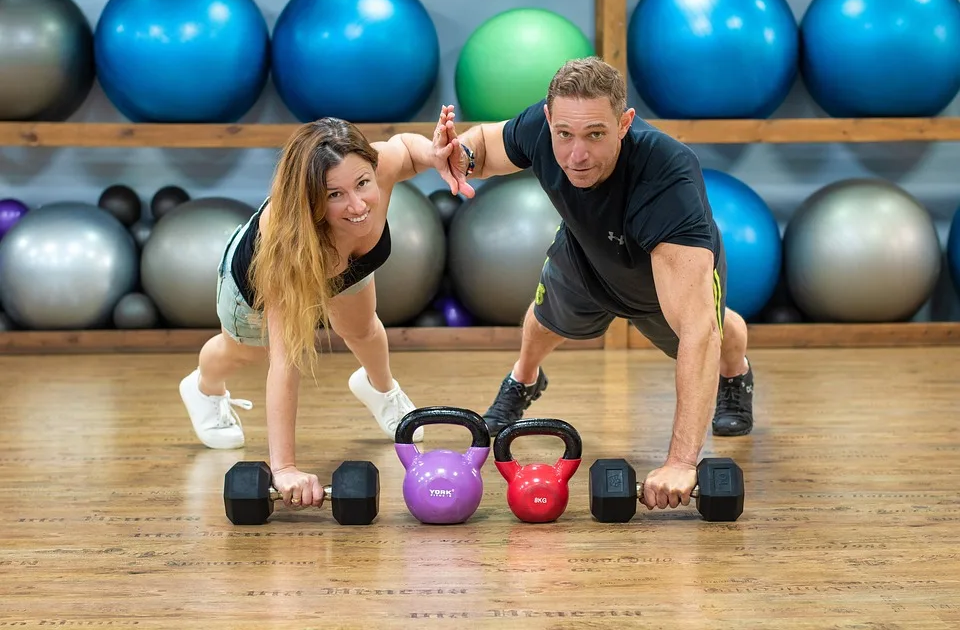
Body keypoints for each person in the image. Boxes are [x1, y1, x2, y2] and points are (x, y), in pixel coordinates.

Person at [432, 56, 755, 513]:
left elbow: (698, 333)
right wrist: (459, 155)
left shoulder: (668, 175)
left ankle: (736, 375)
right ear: (548, 120)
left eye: (595, 135)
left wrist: (682, 462)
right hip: (586, 251)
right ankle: (522, 380)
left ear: (624, 123)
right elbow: (485, 143)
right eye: (564, 134)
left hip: (659, 278)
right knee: (544, 322)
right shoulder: (542, 129)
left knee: (716, 334)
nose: (576, 154)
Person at [179, 116, 456, 509]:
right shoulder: (287, 247)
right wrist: (285, 467)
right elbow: (287, 360)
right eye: (335, 195)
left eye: (362, 184)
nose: (358, 205)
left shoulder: (376, 166)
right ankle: (203, 387)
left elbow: (408, 149)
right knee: (243, 350)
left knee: (363, 329)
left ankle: (381, 390)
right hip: (259, 284)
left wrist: (434, 153)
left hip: (344, 263)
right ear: (310, 200)